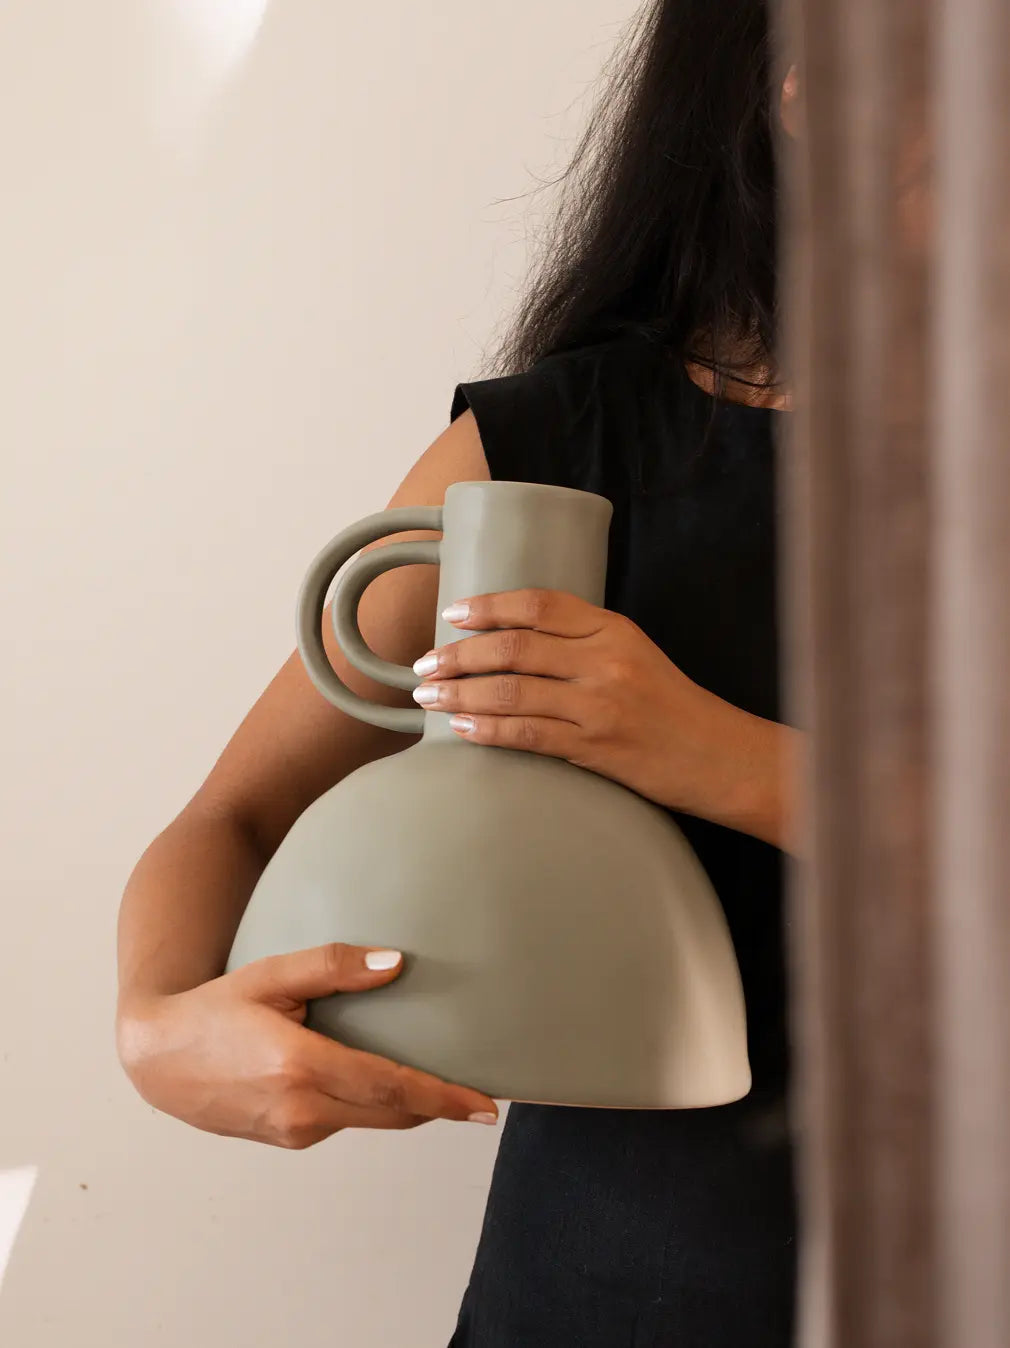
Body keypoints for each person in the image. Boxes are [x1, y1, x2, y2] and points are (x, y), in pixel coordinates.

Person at [115, 2, 805, 1342]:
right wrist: (160, 1029)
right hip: (613, 1297)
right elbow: (236, 820)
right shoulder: (563, 447)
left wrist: (715, 754)